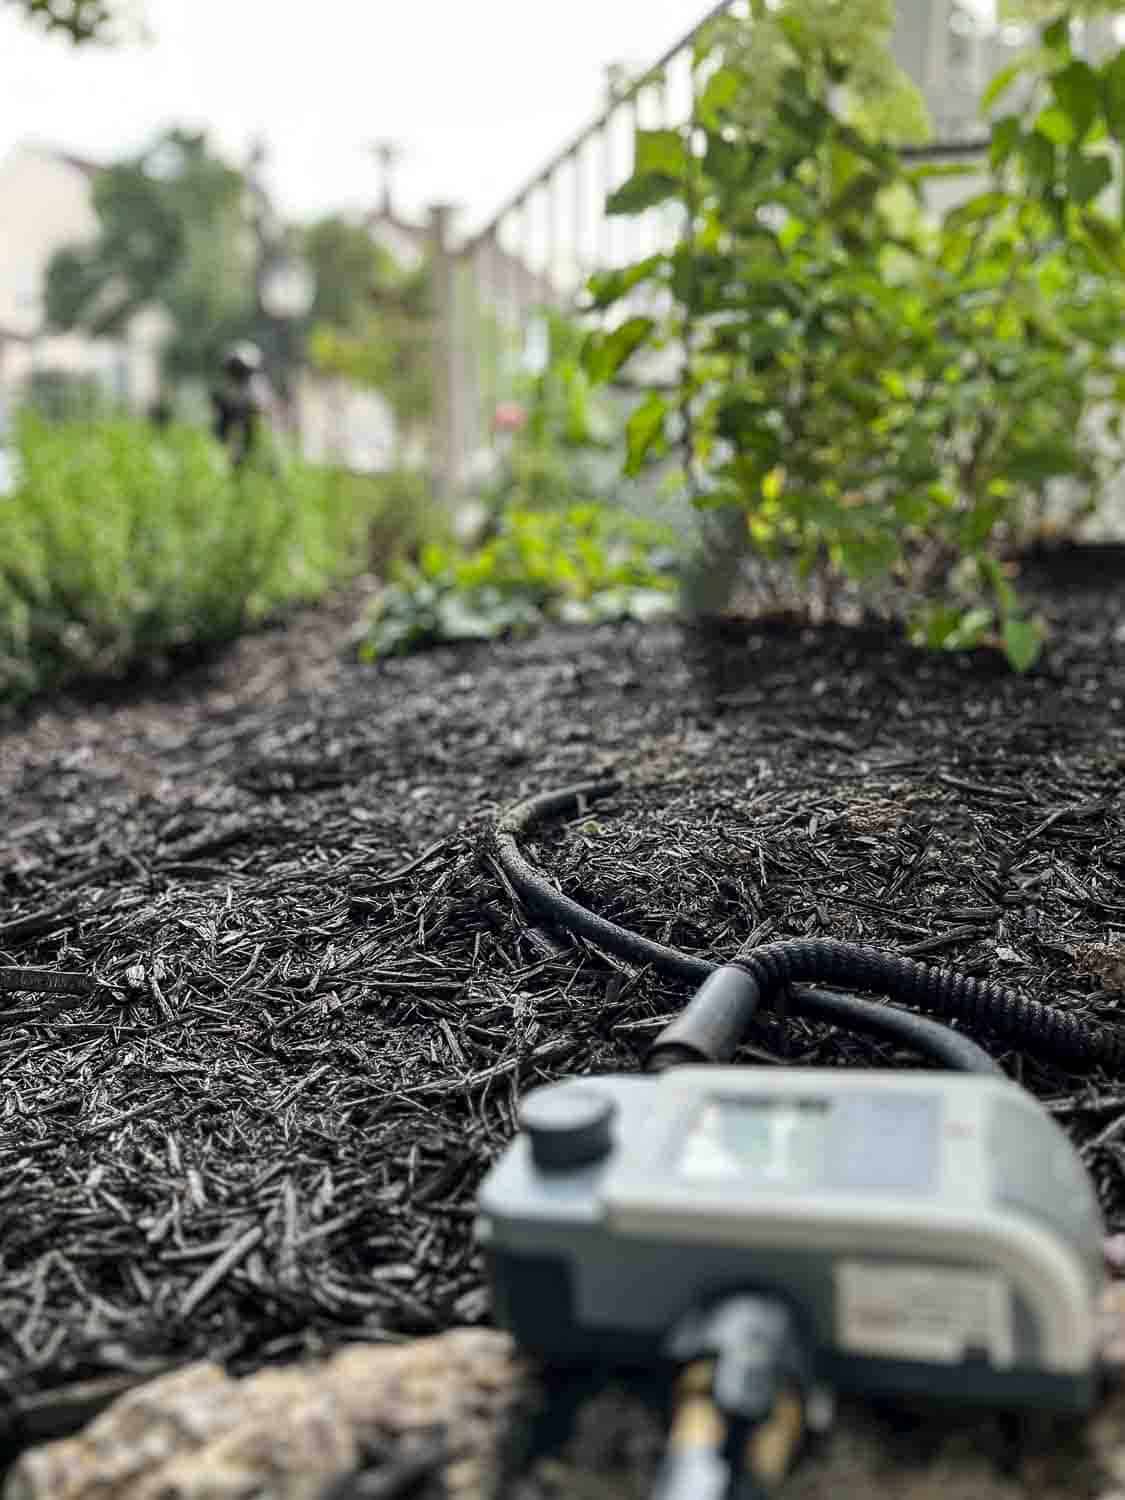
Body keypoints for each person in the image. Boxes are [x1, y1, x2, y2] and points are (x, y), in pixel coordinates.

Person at [210, 342, 274, 467]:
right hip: (235, 436)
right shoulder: (230, 389)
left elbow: (263, 409)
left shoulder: (257, 386)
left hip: (254, 434)